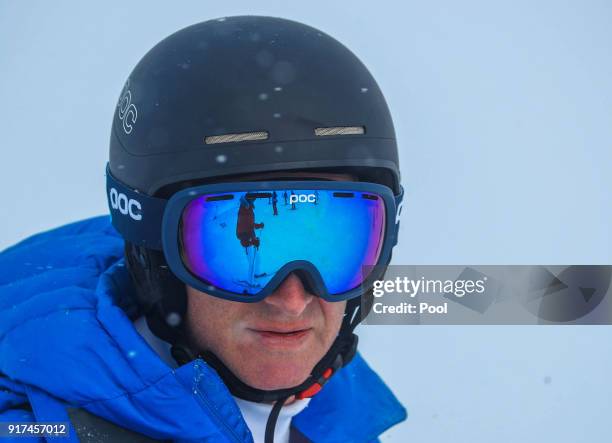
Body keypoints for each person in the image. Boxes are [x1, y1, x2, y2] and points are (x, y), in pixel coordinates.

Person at [0, 15, 406, 443]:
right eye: (235, 244)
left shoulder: (334, 419)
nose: (291, 300)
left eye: (328, 242)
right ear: (154, 258)